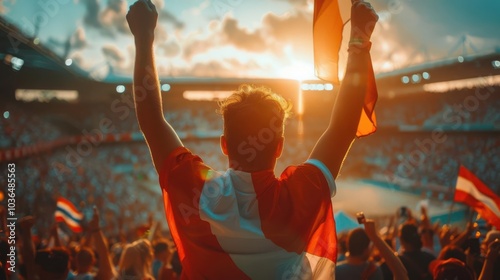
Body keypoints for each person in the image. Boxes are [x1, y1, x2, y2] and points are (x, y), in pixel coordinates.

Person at [126, 0, 378, 278]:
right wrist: (359, 38)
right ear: (279, 147)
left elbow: (151, 120)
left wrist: (143, 36)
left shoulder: (196, 194)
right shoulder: (301, 195)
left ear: (224, 144)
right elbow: (344, 126)